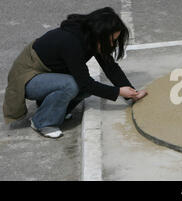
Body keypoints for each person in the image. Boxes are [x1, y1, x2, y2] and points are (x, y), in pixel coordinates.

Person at [3, 7, 147, 139]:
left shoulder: (91, 36)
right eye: (111, 40)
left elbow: (110, 67)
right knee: (74, 85)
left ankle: (55, 111)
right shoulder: (71, 42)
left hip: (47, 74)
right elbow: (86, 84)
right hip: (27, 77)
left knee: (87, 87)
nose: (112, 44)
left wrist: (132, 94)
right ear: (100, 33)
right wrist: (118, 92)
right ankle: (42, 122)